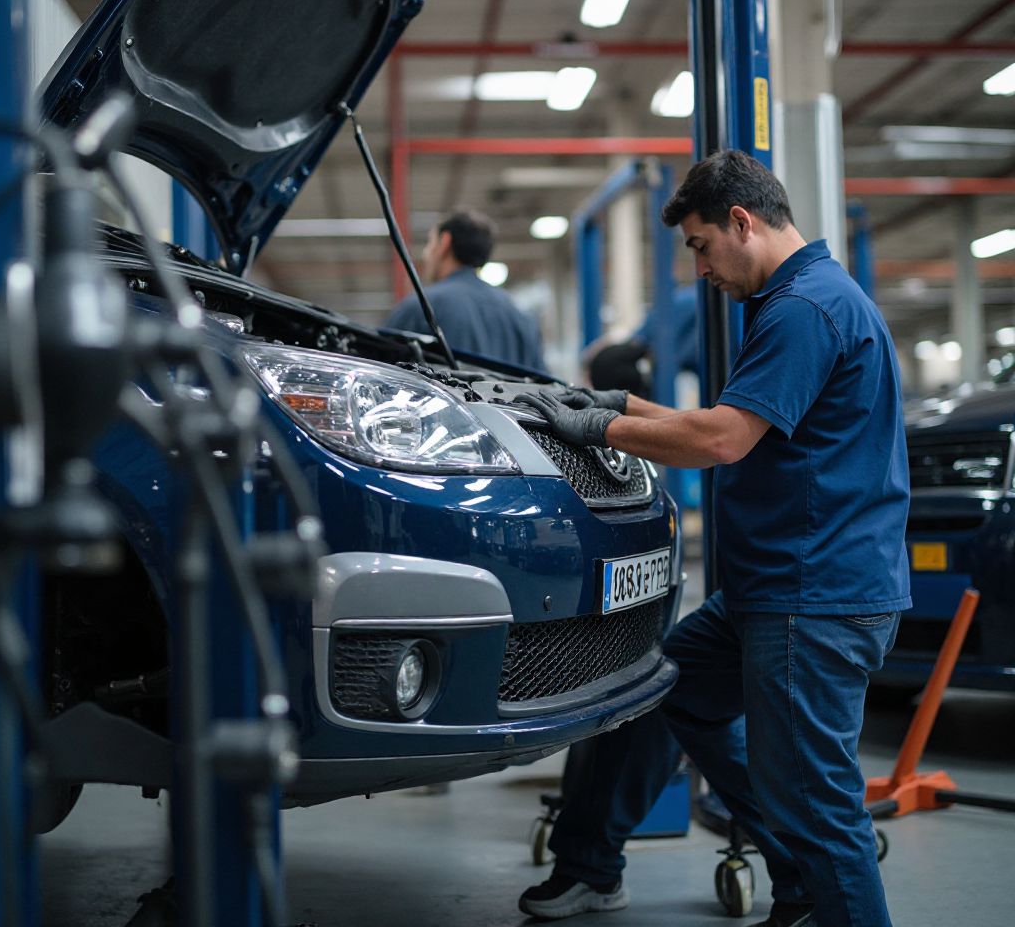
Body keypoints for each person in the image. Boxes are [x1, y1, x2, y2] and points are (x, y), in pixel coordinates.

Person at [517, 150, 910, 927]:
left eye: (699, 246)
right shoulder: (803, 299)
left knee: (820, 807)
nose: (700, 270)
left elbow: (724, 439)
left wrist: (605, 427)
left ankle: (814, 879)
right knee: (669, 692)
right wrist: (618, 399)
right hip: (777, 592)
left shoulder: (805, 309)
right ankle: (793, 883)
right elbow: (729, 423)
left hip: (814, 598)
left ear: (741, 221)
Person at [383, 209, 545, 370]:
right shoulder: (521, 315)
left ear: (444, 242)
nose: (426, 254)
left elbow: (384, 374)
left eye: (430, 243)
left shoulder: (420, 307)